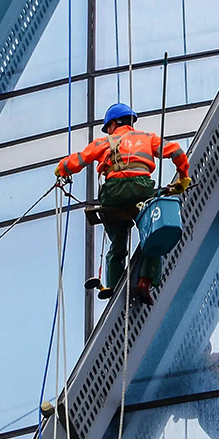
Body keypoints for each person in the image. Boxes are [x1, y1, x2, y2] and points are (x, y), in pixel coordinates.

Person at [57, 103, 194, 301]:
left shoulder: (104, 142)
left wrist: (60, 170)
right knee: (155, 234)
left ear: (112, 124)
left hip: (114, 193)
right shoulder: (148, 138)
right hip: (142, 188)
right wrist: (183, 178)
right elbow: (177, 152)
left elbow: (79, 160)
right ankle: (145, 281)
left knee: (117, 243)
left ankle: (114, 285)